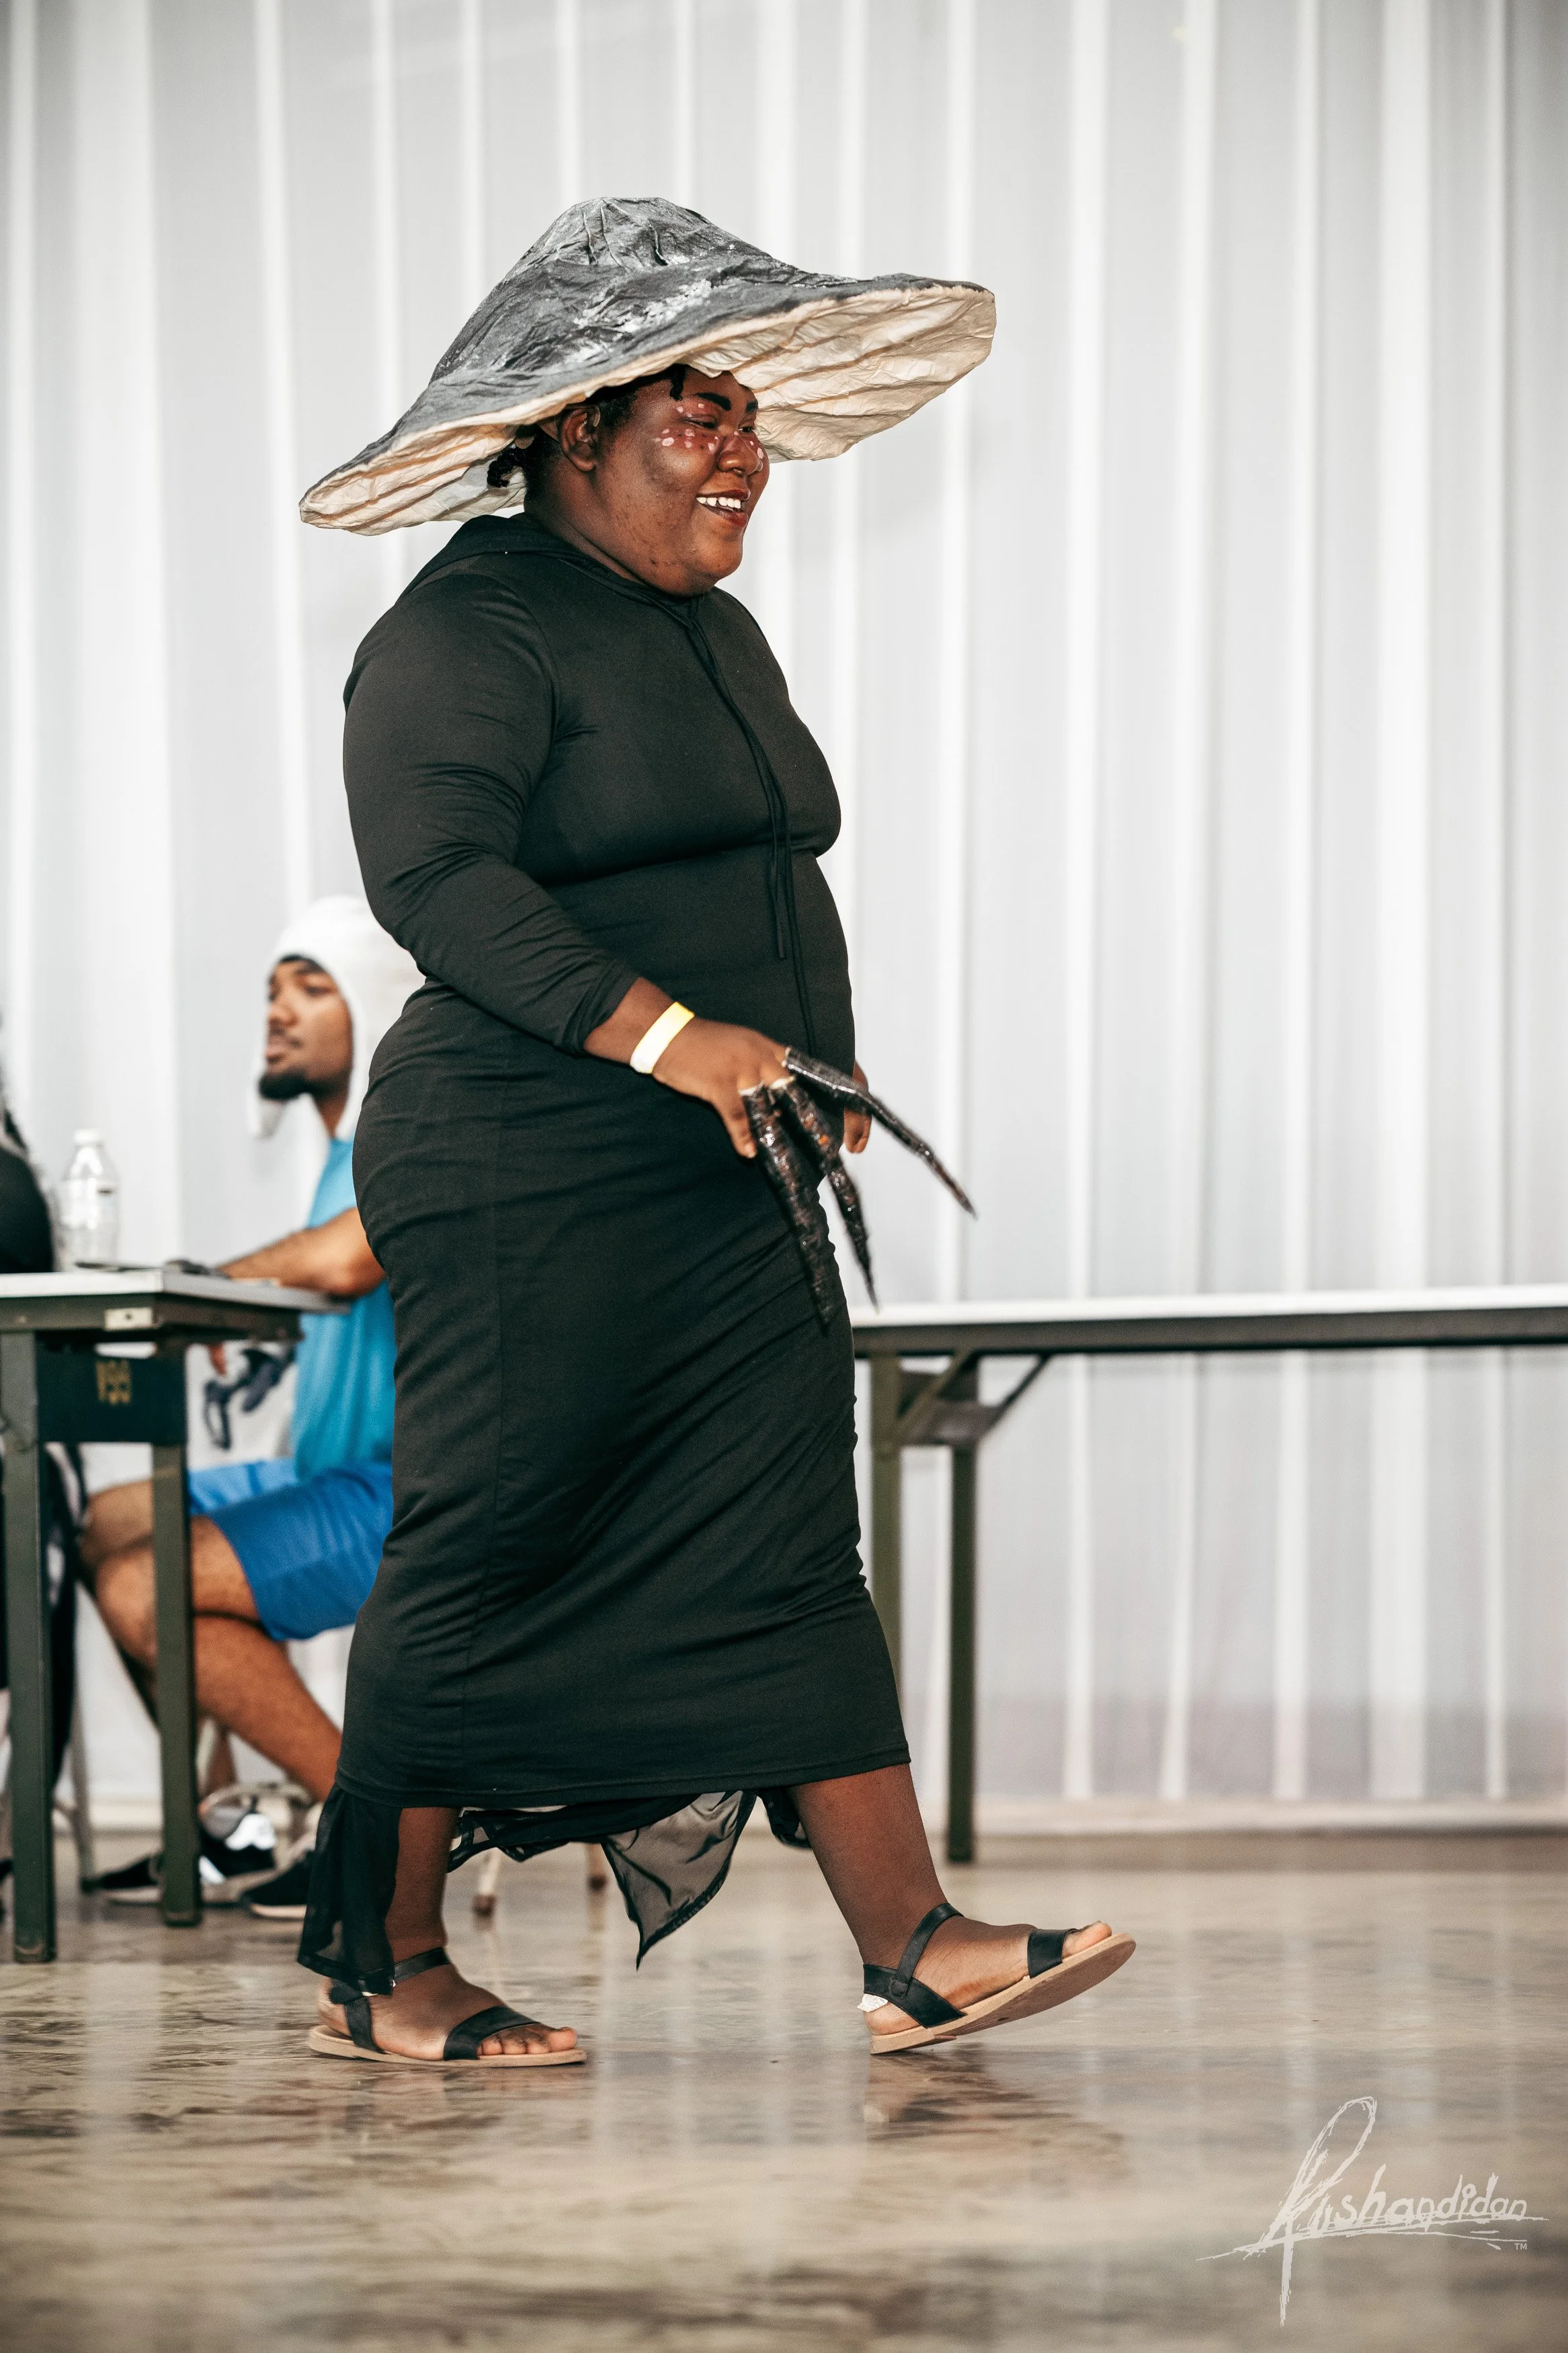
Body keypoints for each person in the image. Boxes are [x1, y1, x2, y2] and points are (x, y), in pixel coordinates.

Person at [295, 198, 1132, 2068]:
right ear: (571, 426)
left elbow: (748, 880)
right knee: (489, 1533)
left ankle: (913, 1941)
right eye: (697, 411)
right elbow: (435, 880)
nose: (741, 447)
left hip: (723, 1162)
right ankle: (388, 1960)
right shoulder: (465, 626)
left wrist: (805, 1076)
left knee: (785, 1529)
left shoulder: (715, 631)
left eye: (748, 415)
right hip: (525, 1159)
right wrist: (675, 1036)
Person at [82, 898, 417, 1911]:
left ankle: (377, 1831)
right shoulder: (341, 1151)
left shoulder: (411, 1127)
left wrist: (217, 1283)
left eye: (312, 988)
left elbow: (349, 1260)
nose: (278, 1011)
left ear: (374, 1003)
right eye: (273, 989)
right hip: (329, 1469)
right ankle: (233, 1826)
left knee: (144, 1589)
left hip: (405, 1490)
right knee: (110, 1520)